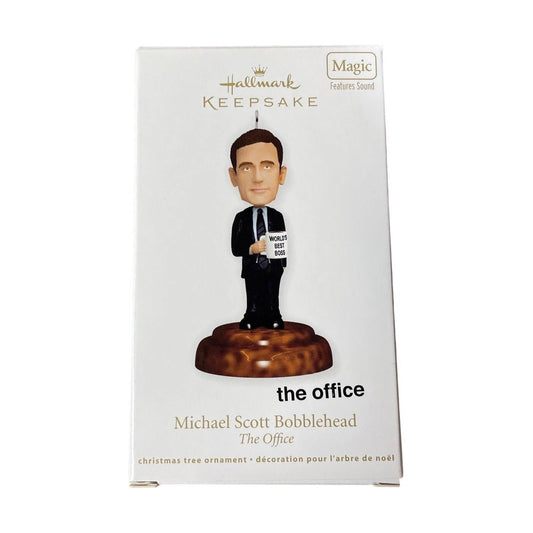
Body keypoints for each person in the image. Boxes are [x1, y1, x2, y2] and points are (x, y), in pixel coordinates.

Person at [228, 128, 287, 330]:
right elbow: (235, 247)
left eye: (267, 166)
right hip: (252, 266)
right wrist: (251, 248)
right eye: (246, 168)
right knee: (252, 293)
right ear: (234, 177)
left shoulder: (277, 217)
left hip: (272, 265)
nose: (258, 178)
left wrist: (283, 264)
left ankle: (274, 315)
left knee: (272, 292)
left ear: (281, 175)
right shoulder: (241, 218)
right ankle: (251, 315)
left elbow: (281, 240)